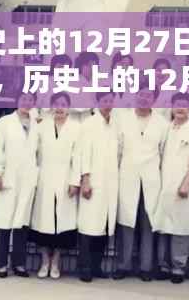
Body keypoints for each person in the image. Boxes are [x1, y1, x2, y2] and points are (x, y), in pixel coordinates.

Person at [113, 84, 168, 282]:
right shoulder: (123, 119)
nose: (144, 98)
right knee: (127, 223)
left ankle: (146, 267)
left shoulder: (162, 123)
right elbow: (118, 150)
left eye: (148, 95)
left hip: (151, 179)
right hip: (128, 176)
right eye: (141, 94)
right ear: (135, 95)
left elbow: (163, 152)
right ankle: (123, 265)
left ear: (154, 99)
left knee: (147, 224)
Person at [0, 92, 39, 278]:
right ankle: (1, 264)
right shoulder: (4, 123)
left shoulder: (37, 125)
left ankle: (19, 264)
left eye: (30, 100)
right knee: (5, 221)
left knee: (21, 223)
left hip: (27, 179)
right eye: (23, 99)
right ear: (17, 100)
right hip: (7, 178)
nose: (26, 103)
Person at [30, 92, 81, 279]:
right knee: (43, 220)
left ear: (68, 108)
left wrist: (75, 181)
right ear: (51, 107)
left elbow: (78, 157)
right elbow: (33, 153)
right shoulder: (41, 126)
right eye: (56, 104)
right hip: (44, 178)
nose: (60, 108)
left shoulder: (76, 128)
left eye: (63, 104)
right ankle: (44, 261)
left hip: (66, 178)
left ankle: (56, 262)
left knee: (62, 222)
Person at [154, 92, 189, 284]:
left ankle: (178, 268)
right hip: (164, 185)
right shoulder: (167, 128)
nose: (180, 108)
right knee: (164, 227)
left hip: (183, 186)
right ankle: (163, 266)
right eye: (177, 104)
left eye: (184, 105)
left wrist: (186, 184)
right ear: (172, 107)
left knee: (180, 229)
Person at [77, 91, 120, 282]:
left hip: (110, 182)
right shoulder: (89, 124)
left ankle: (96, 266)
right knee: (88, 226)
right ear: (97, 101)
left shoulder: (115, 124)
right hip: (93, 181)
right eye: (104, 100)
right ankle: (84, 267)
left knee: (103, 226)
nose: (108, 103)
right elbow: (83, 153)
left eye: (111, 100)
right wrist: (85, 179)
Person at [70, 52, 100, 123]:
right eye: (92, 65)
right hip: (77, 121)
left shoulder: (93, 83)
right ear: (83, 66)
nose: (95, 69)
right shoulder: (74, 83)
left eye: (96, 66)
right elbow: (78, 107)